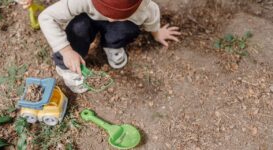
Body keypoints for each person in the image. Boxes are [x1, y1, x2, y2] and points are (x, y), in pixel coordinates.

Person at [18, 0, 181, 93]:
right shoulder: (81, 1)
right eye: (108, 15)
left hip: (120, 23)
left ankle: (113, 44)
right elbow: (47, 17)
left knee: (127, 27)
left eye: (116, 16)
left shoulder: (145, 7)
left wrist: (157, 32)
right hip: (86, 17)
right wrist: (66, 51)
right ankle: (67, 68)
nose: (110, 19)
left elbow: (151, 18)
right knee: (78, 28)